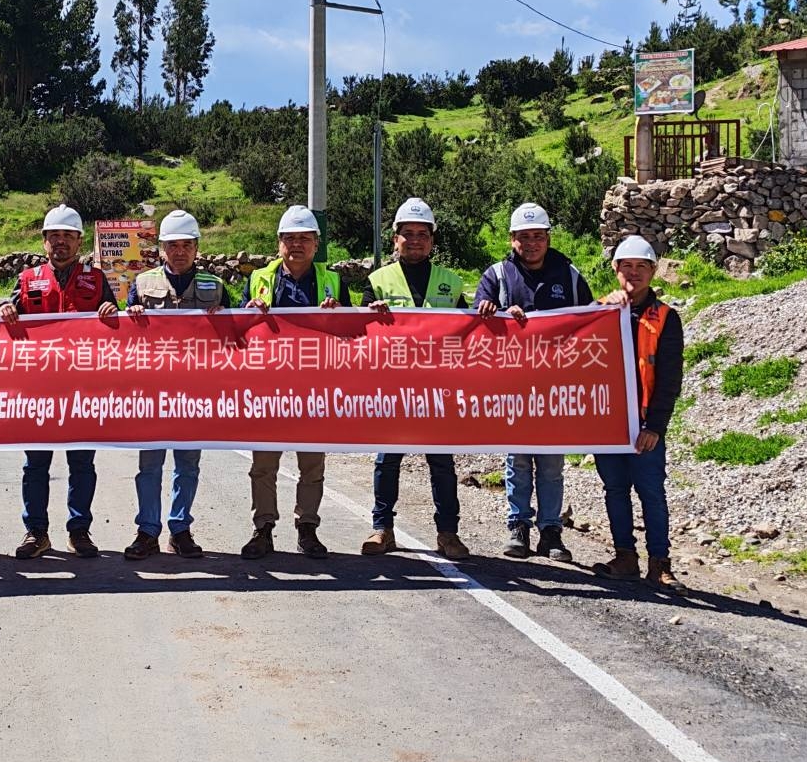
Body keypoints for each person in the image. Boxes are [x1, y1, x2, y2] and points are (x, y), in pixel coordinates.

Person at [474, 202, 594, 562]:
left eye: (537, 237)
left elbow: (590, 321)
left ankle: (551, 531)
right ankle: (518, 526)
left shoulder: (569, 275)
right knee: (518, 459)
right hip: (513, 387)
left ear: (548, 238)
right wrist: (497, 315)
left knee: (552, 463)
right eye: (524, 237)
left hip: (555, 387)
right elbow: (476, 318)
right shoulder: (496, 276)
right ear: (512, 240)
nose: (531, 244)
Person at [0, 205, 118, 559]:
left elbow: (116, 328)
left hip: (84, 388)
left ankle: (79, 530)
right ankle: (36, 532)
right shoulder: (27, 279)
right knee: (36, 464)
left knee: (81, 463)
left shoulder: (96, 281)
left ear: (80, 241)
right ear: (44, 241)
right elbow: (9, 313)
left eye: (68, 236)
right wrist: (5, 306)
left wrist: (111, 315)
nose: (61, 242)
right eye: (55, 236)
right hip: (38, 389)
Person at [362, 198, 471, 560]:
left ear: (432, 241)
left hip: (437, 389)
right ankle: (382, 529)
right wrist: (368, 315)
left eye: (422, 234)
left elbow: (469, 334)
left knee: (441, 462)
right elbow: (356, 332)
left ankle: (448, 533)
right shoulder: (376, 281)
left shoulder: (451, 283)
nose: (414, 240)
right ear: (394, 239)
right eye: (407, 234)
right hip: (392, 388)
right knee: (387, 459)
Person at [241, 205, 351, 560]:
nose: (297, 245)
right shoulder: (259, 278)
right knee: (264, 466)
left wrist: (338, 316)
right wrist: (248, 311)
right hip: (269, 388)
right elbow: (240, 331)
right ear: (279, 244)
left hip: (313, 388)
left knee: (312, 465)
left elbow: (352, 334)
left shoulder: (333, 282)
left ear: (317, 244)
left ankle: (308, 529)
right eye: (290, 238)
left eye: (304, 238)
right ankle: (263, 529)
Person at [123, 209, 224, 561]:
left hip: (195, 393)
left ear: (197, 248)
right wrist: (130, 318)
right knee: (149, 466)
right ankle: (147, 531)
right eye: (172, 245)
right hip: (153, 391)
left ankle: (179, 529)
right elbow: (124, 338)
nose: (179, 251)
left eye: (186, 244)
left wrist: (226, 319)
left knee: (188, 465)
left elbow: (238, 334)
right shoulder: (142, 284)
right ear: (161, 248)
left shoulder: (215, 286)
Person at [593, 235, 684, 588]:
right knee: (615, 490)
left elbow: (669, 378)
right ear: (616, 270)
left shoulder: (666, 318)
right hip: (608, 425)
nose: (634, 273)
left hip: (645, 425)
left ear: (653, 271)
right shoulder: (598, 310)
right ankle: (625, 557)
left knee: (651, 493)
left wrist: (655, 426)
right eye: (626, 266)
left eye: (641, 267)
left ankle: (660, 563)